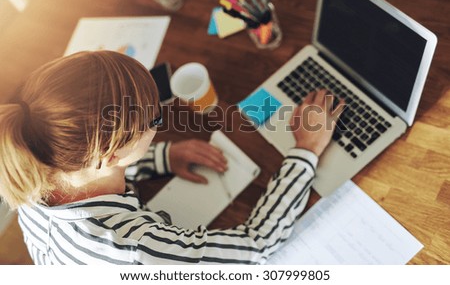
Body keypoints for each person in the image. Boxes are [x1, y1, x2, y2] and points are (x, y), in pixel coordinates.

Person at [0, 51, 343, 264]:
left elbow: (92, 170)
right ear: (111, 155)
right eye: (156, 120)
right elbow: (256, 246)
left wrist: (163, 157)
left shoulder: (30, 162)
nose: (160, 123)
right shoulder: (136, 251)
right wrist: (306, 149)